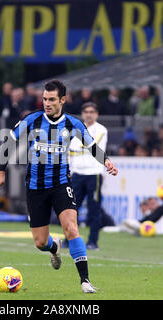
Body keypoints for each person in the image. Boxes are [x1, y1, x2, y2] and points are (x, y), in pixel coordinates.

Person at [0, 80, 118, 293]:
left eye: (51, 99)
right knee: (40, 242)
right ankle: (54, 247)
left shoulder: (73, 124)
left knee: (71, 227)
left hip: (61, 184)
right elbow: (9, 143)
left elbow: (91, 146)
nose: (47, 103)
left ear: (62, 100)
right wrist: (1, 170)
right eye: (44, 99)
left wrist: (106, 161)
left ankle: (85, 281)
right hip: (35, 187)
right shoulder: (31, 120)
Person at [67, 102, 108, 250]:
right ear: (82, 114)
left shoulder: (101, 130)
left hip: (94, 174)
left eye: (92, 112)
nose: (89, 114)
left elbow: (89, 147)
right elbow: (70, 150)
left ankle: (93, 241)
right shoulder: (75, 129)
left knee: (94, 209)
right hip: (77, 173)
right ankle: (70, 239)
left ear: (96, 114)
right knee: (71, 209)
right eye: (86, 112)